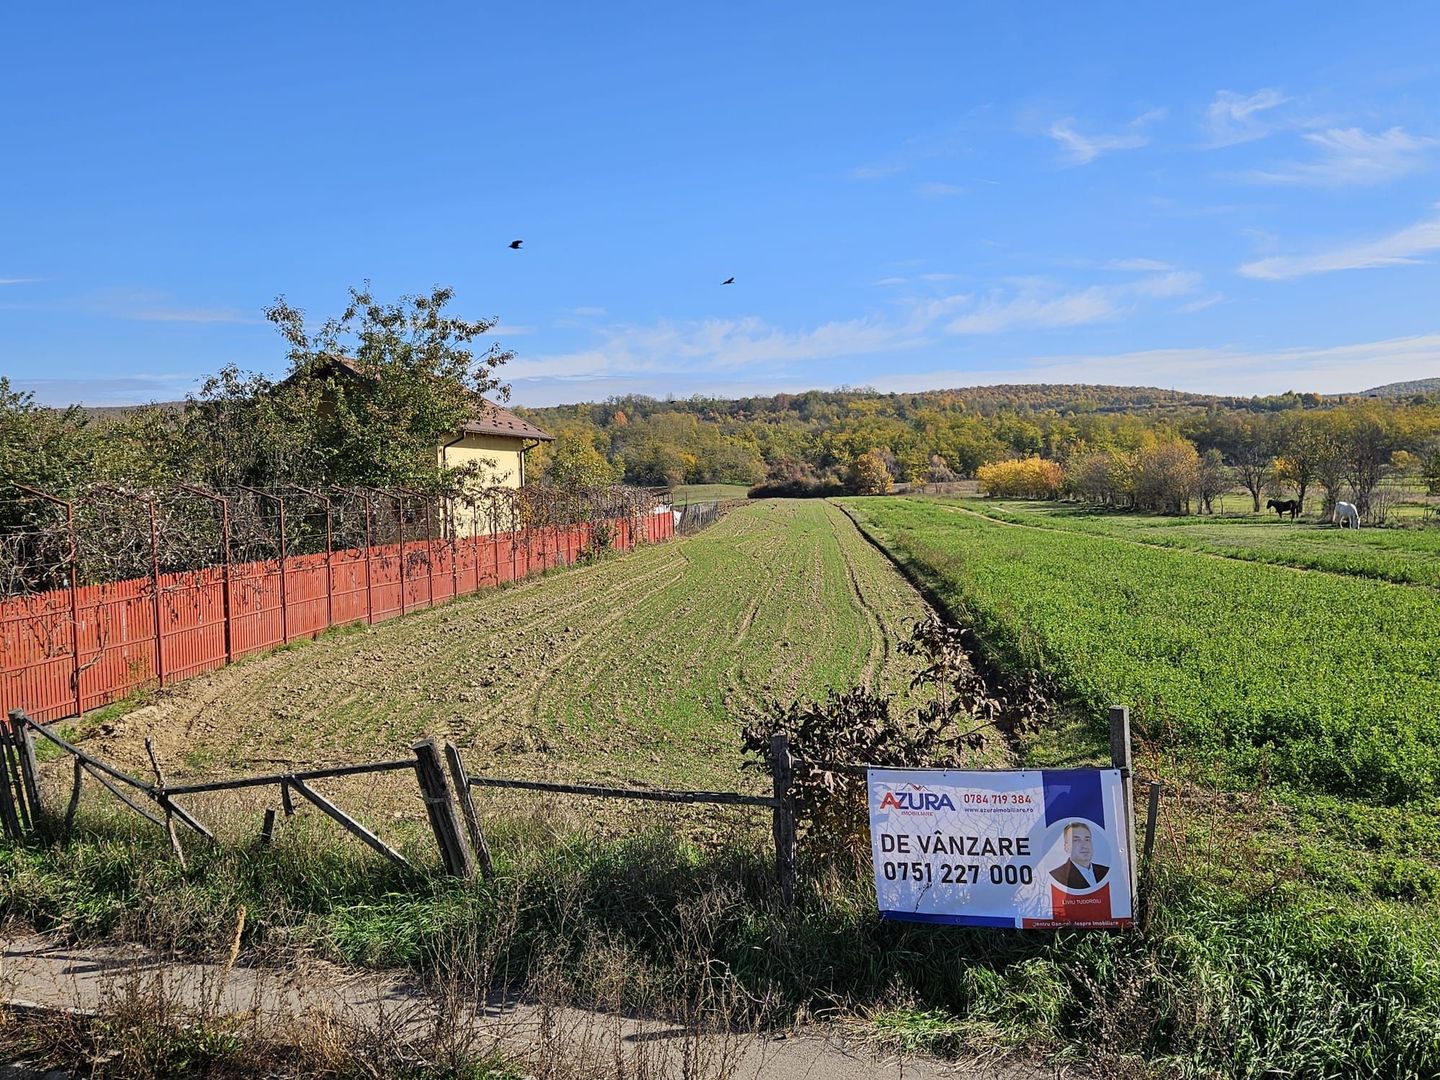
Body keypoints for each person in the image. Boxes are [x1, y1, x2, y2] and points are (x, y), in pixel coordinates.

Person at [1049, 822, 1109, 889]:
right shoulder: (1057, 876)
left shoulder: (1106, 871)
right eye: (1076, 840)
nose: (1084, 845)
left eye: (1087, 839)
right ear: (1067, 847)